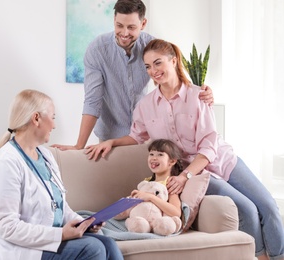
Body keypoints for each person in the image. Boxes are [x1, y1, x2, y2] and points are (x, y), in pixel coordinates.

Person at [85, 39, 284, 260]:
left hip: (221, 160)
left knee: (269, 206)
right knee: (247, 210)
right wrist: (112, 142)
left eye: (158, 63)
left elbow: (209, 143)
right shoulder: (145, 106)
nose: (153, 71)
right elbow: (136, 136)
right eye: (148, 66)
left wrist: (184, 176)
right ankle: (260, 257)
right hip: (199, 174)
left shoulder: (199, 95)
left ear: (174, 60)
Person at [0, 89, 123, 260]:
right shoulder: (6, 162)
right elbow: (7, 227)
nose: (54, 125)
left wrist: (83, 223)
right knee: (93, 248)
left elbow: (59, 206)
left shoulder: (45, 155)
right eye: (53, 118)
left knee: (108, 243)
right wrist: (60, 234)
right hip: (17, 248)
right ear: (36, 118)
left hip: (46, 240)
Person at [52, 0, 213, 151]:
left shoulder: (151, 47)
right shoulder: (97, 50)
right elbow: (93, 101)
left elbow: (172, 81)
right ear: (114, 19)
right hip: (111, 135)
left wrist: (201, 93)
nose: (124, 33)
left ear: (143, 24)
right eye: (119, 25)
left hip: (146, 136)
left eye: (131, 27)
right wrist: (79, 146)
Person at [130, 139, 183, 220]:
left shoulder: (170, 184)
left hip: (158, 222)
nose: (154, 158)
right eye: (151, 154)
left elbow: (176, 212)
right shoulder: (147, 182)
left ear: (172, 161)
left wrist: (151, 197)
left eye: (160, 155)